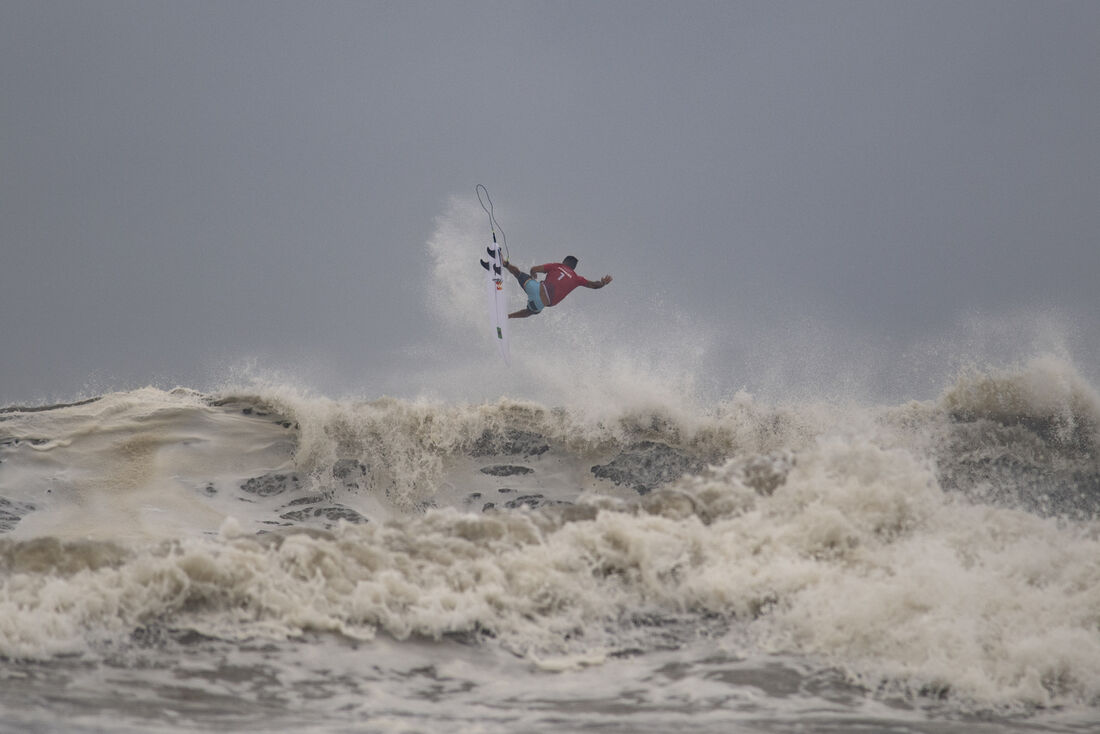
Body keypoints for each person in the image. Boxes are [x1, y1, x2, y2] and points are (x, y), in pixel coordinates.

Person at [502, 255, 612, 319]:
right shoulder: (577, 279)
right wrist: (603, 283)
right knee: (530, 311)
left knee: (518, 274)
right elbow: (594, 285)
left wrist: (533, 275)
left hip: (536, 288)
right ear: (573, 268)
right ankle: (508, 316)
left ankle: (505, 264)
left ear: (564, 262)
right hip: (542, 303)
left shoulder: (558, 266)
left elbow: (534, 269)